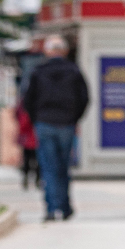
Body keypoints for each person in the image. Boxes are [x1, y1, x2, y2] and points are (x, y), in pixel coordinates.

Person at [24, 35, 89, 222]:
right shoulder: (74, 71)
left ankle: (52, 209)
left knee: (48, 168)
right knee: (63, 167)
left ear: (47, 51)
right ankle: (65, 207)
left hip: (44, 124)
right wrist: (74, 118)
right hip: (66, 125)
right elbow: (84, 98)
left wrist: (37, 119)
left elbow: (28, 99)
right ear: (65, 51)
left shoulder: (38, 72)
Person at [15, 102, 40, 190]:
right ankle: (37, 179)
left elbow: (22, 125)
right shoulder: (39, 112)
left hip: (28, 140)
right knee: (37, 160)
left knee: (27, 160)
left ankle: (26, 178)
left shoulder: (26, 111)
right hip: (36, 140)